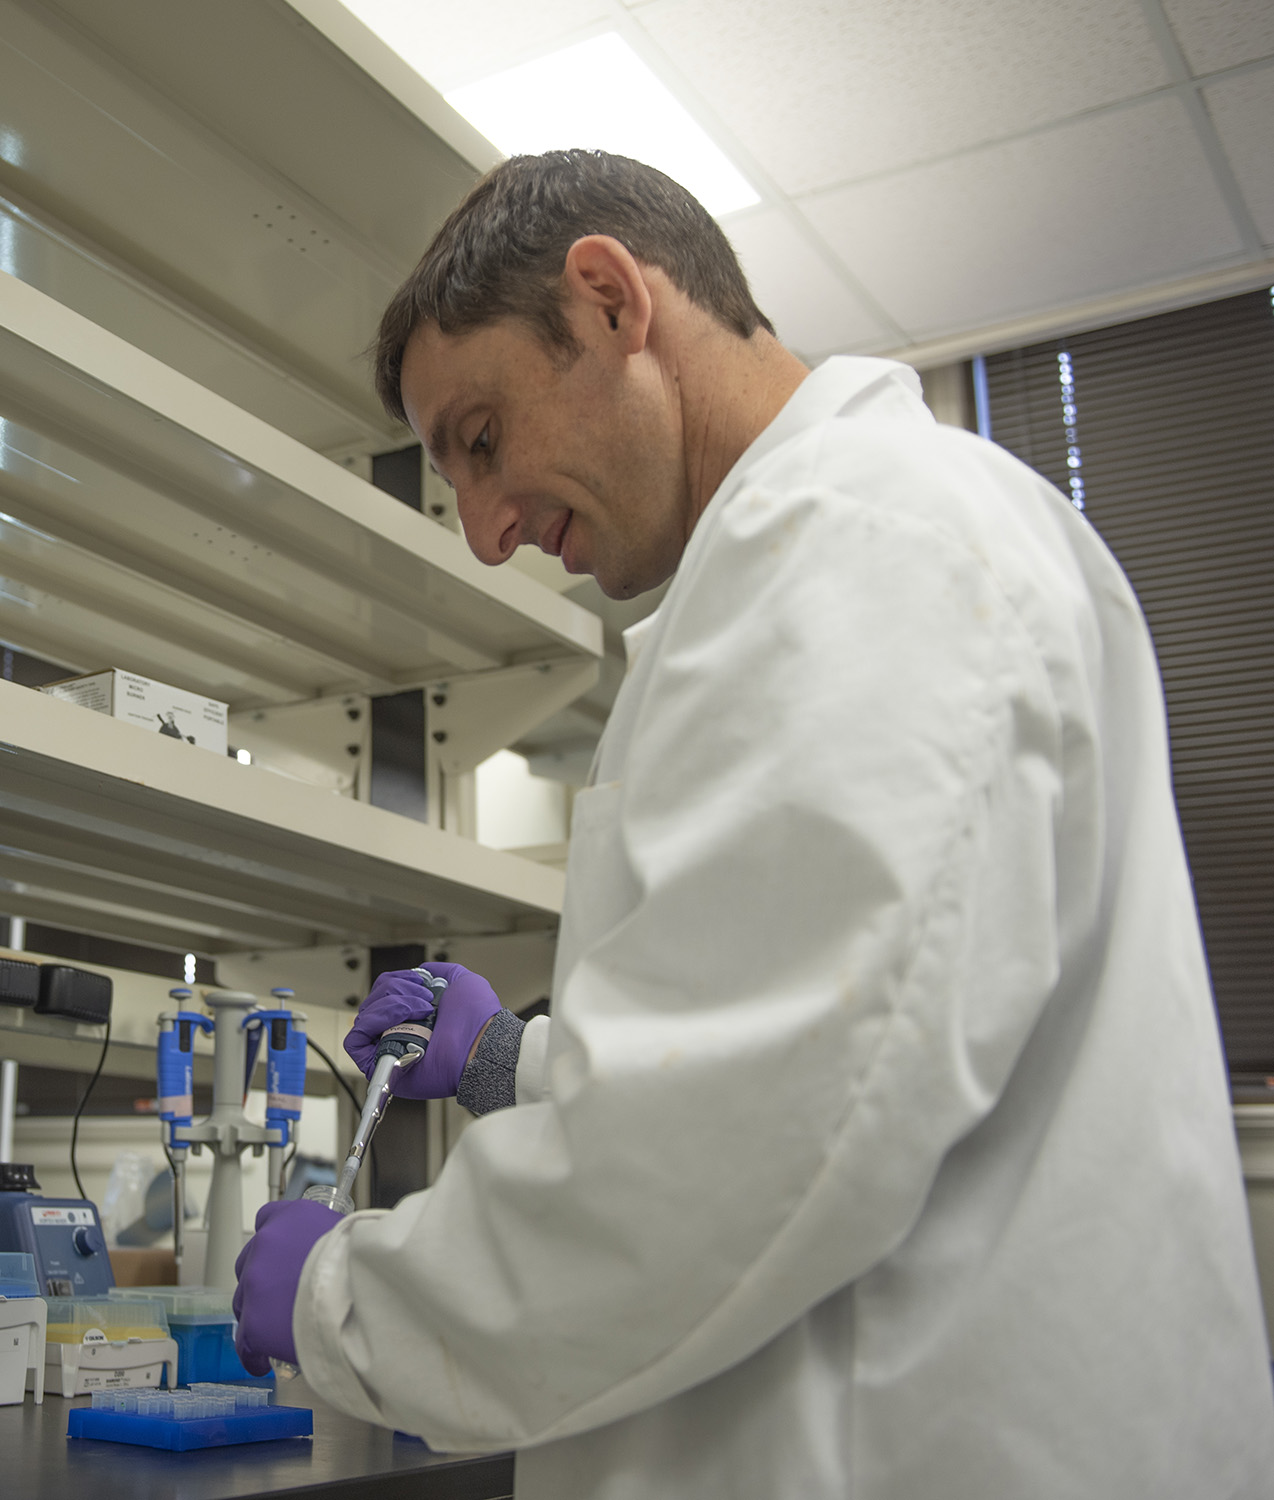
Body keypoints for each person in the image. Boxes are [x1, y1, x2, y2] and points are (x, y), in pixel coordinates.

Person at [230, 150, 1274, 1496]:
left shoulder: (863, 541)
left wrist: (344, 1303)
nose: (484, 531)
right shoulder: (853, 543)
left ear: (608, 302)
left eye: (479, 440)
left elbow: (737, 1151)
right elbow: (832, 1035)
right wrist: (515, 1065)